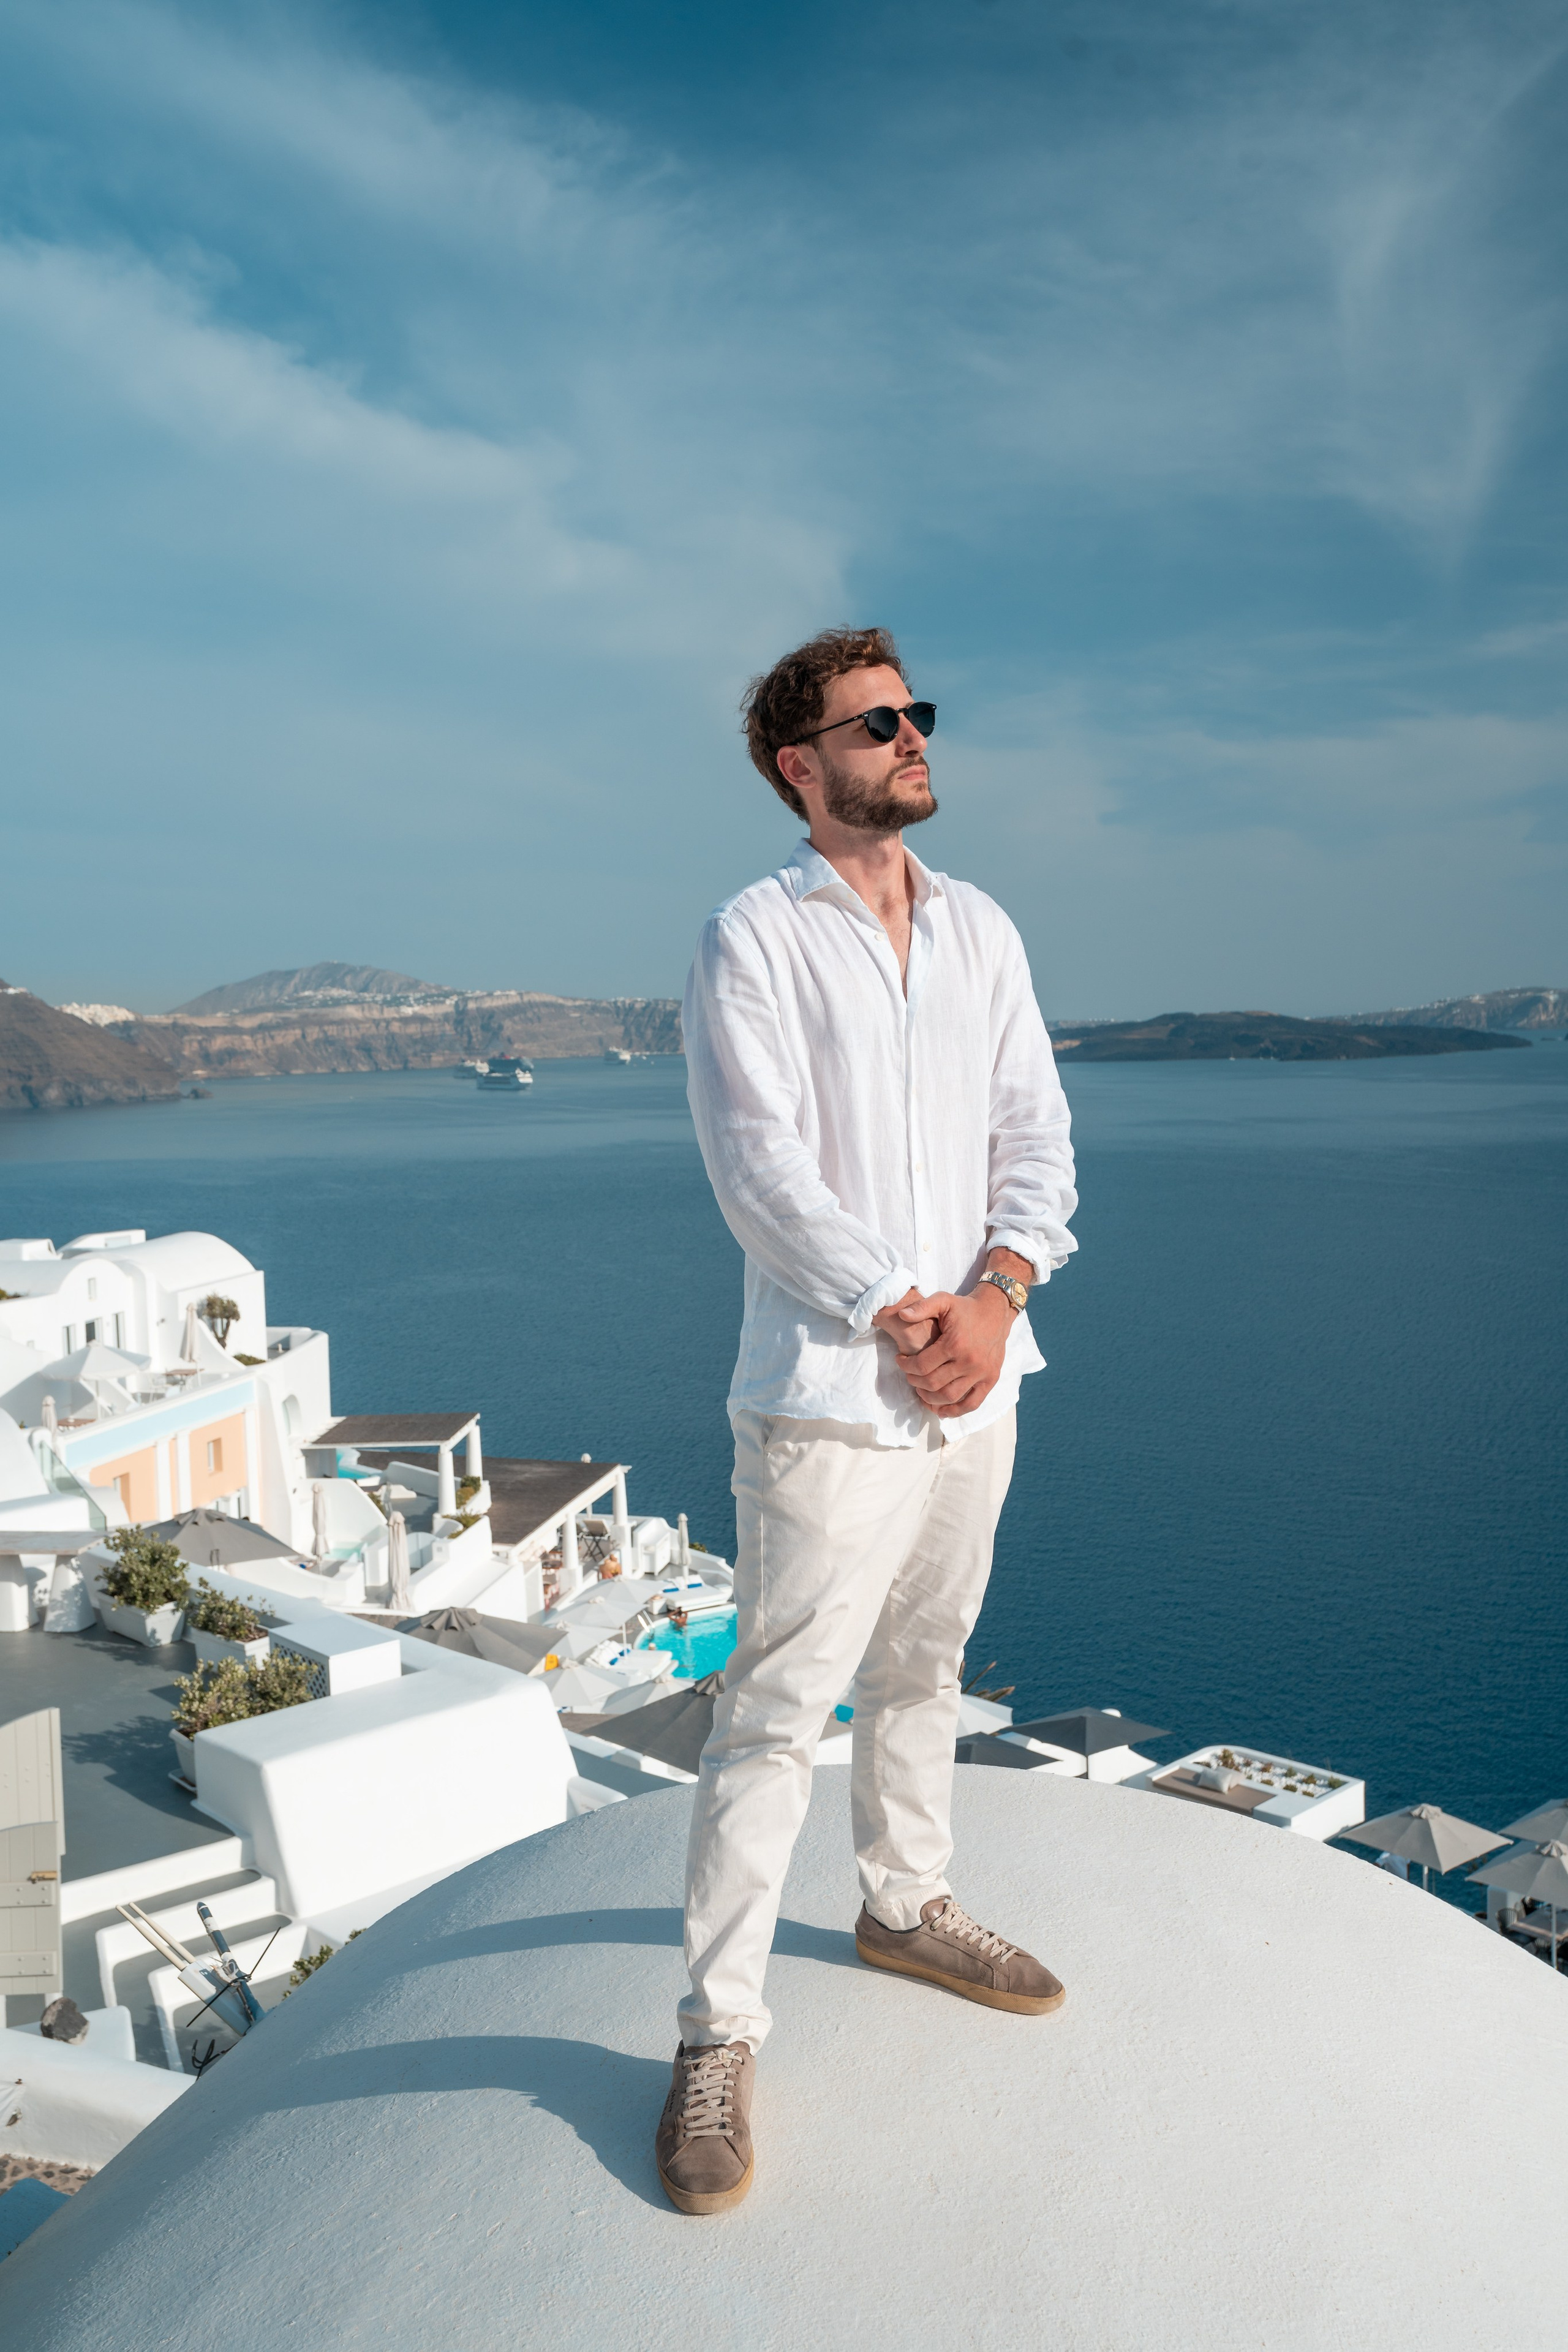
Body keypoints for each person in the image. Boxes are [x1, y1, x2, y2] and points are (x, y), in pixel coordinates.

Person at [655, 625, 1079, 2215]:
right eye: (876, 721)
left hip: (981, 1384)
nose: (913, 736)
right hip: (836, 1398)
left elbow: (1035, 1131)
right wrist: (901, 1313)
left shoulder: (983, 932)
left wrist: (999, 1293)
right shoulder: (749, 938)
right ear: (799, 764)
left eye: (916, 714)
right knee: (775, 1716)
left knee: (927, 1667)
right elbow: (759, 1169)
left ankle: (906, 1907)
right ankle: (715, 2035)